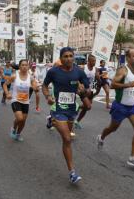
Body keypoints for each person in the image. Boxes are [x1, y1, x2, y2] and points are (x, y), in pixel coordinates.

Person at [42, 47, 91, 184]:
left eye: (71, 56)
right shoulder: (53, 72)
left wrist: (83, 92)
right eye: (65, 56)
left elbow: (88, 90)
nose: (68, 58)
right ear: (61, 58)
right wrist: (47, 96)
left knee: (67, 139)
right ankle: (72, 172)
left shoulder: (79, 72)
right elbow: (44, 86)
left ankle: (51, 121)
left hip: (71, 109)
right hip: (57, 108)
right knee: (67, 138)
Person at [96, 49, 134, 169]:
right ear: (128, 58)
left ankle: (133, 158)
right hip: (121, 106)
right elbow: (113, 84)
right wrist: (129, 85)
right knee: (113, 128)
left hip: (133, 105)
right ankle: (101, 136)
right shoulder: (123, 69)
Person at [3, 59, 38, 141]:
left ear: (28, 66)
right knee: (20, 118)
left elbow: (35, 86)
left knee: (23, 121)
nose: (24, 67)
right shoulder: (15, 76)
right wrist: (7, 93)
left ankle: (18, 134)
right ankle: (14, 128)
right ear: (19, 66)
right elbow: (5, 85)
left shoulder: (31, 77)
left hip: (25, 101)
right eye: (22, 65)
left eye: (26, 65)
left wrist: (35, 87)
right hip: (16, 100)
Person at [74, 55, 100, 129]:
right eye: (93, 61)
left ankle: (77, 120)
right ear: (89, 61)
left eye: (95, 61)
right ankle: (74, 115)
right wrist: (79, 86)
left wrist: (97, 90)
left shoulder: (96, 69)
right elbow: (76, 78)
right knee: (88, 106)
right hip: (83, 90)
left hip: (90, 90)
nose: (94, 63)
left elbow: (98, 80)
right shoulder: (83, 68)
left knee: (86, 108)